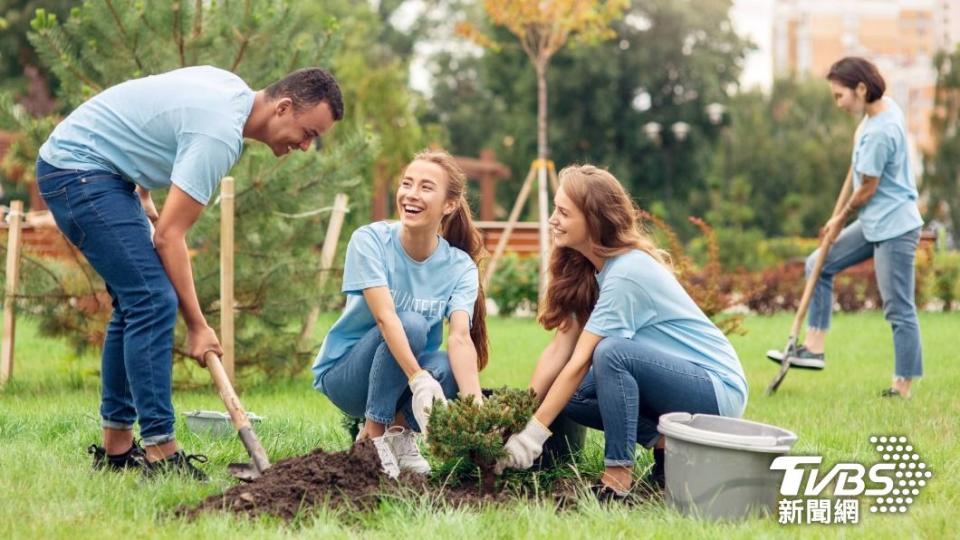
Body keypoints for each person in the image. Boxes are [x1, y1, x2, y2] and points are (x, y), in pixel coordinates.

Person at [36, 66, 343, 479]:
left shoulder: (230, 89)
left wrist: (142, 189)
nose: (306, 146)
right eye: (309, 133)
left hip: (99, 170)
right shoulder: (219, 134)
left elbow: (151, 109)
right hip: (80, 171)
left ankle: (117, 452)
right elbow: (169, 238)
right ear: (283, 107)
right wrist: (198, 327)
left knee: (134, 304)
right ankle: (161, 454)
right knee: (151, 300)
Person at [493, 165, 748, 500]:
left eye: (563, 212)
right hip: (675, 387)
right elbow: (560, 350)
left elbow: (581, 361)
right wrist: (514, 418)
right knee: (571, 393)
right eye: (555, 208)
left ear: (594, 221)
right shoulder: (589, 269)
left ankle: (617, 475)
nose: (553, 219)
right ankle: (671, 446)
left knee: (612, 353)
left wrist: (532, 437)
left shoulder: (626, 272)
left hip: (716, 390)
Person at [311, 149, 488, 477]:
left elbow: (461, 338)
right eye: (407, 184)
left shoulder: (459, 265)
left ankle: (400, 433)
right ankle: (372, 438)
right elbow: (386, 318)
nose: (411, 194)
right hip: (348, 375)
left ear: (449, 205)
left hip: (401, 375)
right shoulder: (371, 240)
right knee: (411, 323)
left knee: (449, 367)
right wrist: (419, 378)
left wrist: (476, 410)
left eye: (425, 187)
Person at [767, 57, 924, 399]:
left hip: (895, 227)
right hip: (873, 222)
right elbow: (860, 175)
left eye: (840, 96)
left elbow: (867, 187)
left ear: (861, 89)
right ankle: (814, 346)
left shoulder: (882, 131)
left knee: (899, 307)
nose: (837, 104)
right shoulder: (878, 112)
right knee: (818, 264)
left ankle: (903, 385)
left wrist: (839, 220)